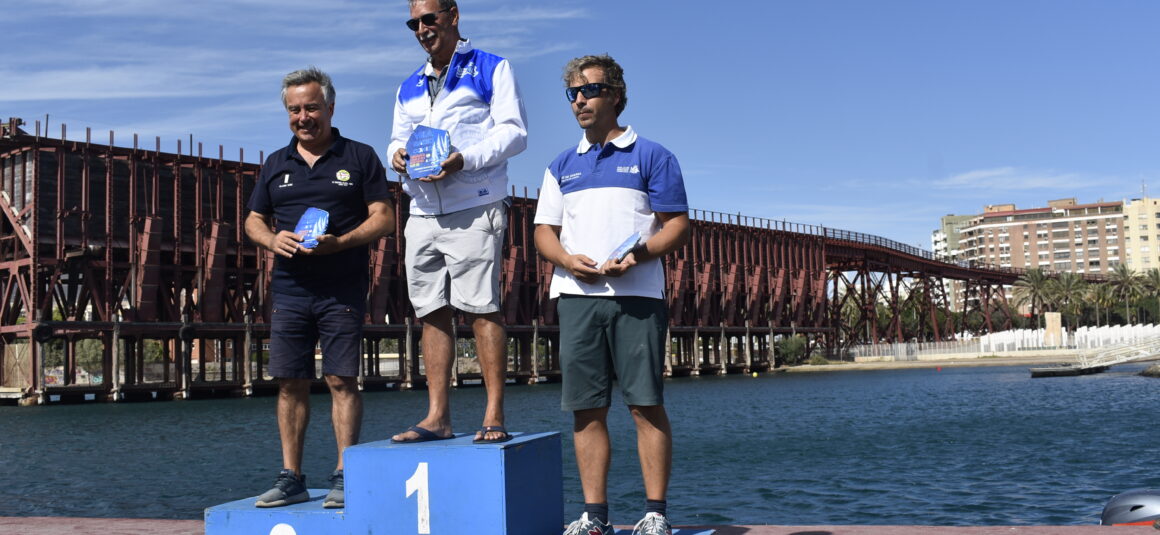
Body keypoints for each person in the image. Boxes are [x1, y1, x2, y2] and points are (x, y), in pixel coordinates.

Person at [534, 54, 690, 535]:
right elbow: (544, 230)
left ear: (616, 95)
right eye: (573, 94)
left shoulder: (652, 156)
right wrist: (564, 260)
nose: (579, 100)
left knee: (645, 404)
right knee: (586, 409)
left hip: (638, 297)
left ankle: (655, 515)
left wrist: (639, 256)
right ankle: (594, 517)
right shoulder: (562, 164)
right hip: (579, 298)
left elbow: (678, 225)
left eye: (590, 91)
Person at [244, 67, 395, 509]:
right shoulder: (276, 163)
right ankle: (291, 476)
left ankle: (344, 475)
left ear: (330, 107)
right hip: (290, 289)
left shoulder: (359, 156)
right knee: (289, 382)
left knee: (340, 380)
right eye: (294, 109)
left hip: (341, 288)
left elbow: (384, 217)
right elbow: (253, 220)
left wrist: (340, 243)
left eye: (311, 107)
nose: (303, 117)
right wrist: (272, 238)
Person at [387, 0, 527, 445]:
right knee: (430, 311)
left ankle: (493, 413)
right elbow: (396, 137)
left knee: (482, 307)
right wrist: (396, 155)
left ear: (453, 15)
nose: (422, 28)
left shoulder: (491, 67)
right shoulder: (409, 84)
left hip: (475, 204)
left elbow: (514, 132)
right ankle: (437, 417)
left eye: (430, 19)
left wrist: (464, 160)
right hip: (422, 210)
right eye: (414, 23)